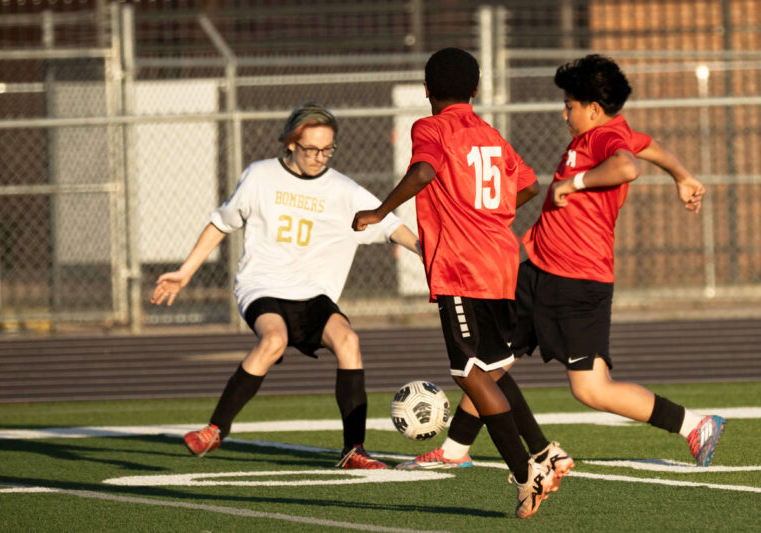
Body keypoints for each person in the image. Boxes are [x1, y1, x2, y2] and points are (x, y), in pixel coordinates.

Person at [399, 53, 724, 473]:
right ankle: (454, 450)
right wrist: (683, 177)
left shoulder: (607, 138)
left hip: (577, 282)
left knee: (592, 389)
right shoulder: (602, 134)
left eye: (569, 105)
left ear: (592, 108)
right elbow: (649, 147)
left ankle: (694, 425)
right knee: (487, 362)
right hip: (537, 269)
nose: (563, 112)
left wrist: (577, 181)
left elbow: (628, 165)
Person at [151, 102, 420, 469]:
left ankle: (354, 450)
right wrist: (185, 272)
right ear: (291, 143)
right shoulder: (260, 176)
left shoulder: (343, 189)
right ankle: (215, 430)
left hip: (314, 295)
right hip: (262, 286)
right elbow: (221, 223)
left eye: (328, 149)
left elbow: (389, 224)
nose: (319, 157)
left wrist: (424, 251)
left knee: (348, 340)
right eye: (311, 148)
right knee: (273, 339)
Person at [352, 47, 557, 519]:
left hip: (463, 265)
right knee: (491, 365)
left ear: (427, 90)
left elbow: (424, 171)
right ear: (477, 89)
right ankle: (543, 453)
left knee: (468, 373)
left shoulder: (431, 126)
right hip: (502, 259)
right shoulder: (488, 132)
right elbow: (527, 185)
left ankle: (528, 475)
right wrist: (491, 215)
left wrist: (381, 213)